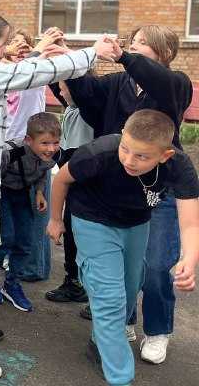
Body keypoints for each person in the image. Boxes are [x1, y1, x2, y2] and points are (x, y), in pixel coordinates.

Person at [0, 10, 114, 385]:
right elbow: (38, 72)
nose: (3, 52)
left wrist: (39, 52)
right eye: (2, 44)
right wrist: (93, 51)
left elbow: (22, 69)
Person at [65, 25, 194, 364]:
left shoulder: (175, 82)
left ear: (164, 52)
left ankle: (158, 329)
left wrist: (123, 57)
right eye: (131, 41)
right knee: (124, 266)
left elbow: (157, 79)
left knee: (157, 264)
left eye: (141, 43)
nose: (132, 46)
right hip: (116, 186)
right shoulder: (118, 82)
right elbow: (87, 96)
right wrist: (67, 59)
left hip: (157, 186)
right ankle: (123, 321)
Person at [47, 110, 199, 386]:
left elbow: (190, 223)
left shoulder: (179, 166)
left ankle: (100, 341)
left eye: (141, 156)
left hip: (136, 223)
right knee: (110, 297)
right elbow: (61, 179)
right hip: (93, 219)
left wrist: (189, 258)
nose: (129, 160)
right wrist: (56, 219)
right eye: (125, 149)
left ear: (164, 155)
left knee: (130, 288)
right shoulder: (99, 152)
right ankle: (120, 377)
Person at [0, 113, 61, 312]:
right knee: (5, 237)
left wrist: (40, 192)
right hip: (2, 193)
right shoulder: (10, 152)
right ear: (29, 140)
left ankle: (12, 282)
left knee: (26, 241)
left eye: (55, 143)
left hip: (24, 193)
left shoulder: (51, 155)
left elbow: (43, 170)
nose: (51, 148)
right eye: (45, 143)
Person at [45, 80, 93, 304]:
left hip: (82, 185)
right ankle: (73, 280)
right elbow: (59, 86)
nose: (60, 93)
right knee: (71, 233)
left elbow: (72, 157)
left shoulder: (87, 112)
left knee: (80, 235)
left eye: (64, 88)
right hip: (72, 184)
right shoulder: (72, 108)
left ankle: (83, 285)